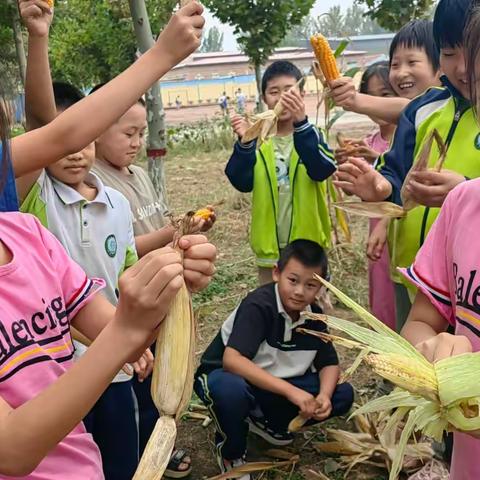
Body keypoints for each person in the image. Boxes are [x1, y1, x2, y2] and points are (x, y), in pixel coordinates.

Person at [0, 1, 213, 478]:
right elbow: (11, 451)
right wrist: (160, 55)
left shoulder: (29, 235)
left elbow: (124, 327)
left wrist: (166, 293)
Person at [90, 82, 215, 478]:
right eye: (128, 134)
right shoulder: (96, 182)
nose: (136, 142)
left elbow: (158, 222)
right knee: (137, 385)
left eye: (141, 134)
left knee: (162, 374)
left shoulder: (139, 175)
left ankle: (160, 445)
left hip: (163, 293)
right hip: (131, 300)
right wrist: (170, 235)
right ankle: (144, 452)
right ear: (96, 127)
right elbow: (126, 246)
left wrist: (182, 226)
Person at [334, 0, 478, 330]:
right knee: (412, 359)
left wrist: (465, 191)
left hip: (470, 284)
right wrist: (381, 188)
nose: (461, 67)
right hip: (413, 273)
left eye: (472, 49)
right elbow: (396, 172)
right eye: (450, 52)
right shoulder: (422, 111)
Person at [194, 240, 354, 479]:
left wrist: (324, 396)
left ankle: (267, 422)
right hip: (226, 378)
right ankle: (231, 452)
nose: (300, 291)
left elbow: (329, 363)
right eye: (293, 280)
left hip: (272, 384)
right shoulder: (259, 305)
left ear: (321, 286)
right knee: (230, 391)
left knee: (343, 394)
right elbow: (232, 361)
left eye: (311, 285)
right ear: (276, 273)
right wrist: (292, 392)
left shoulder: (315, 316)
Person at [226, 60, 336, 285]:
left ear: (302, 94)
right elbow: (241, 181)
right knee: (271, 310)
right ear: (265, 99)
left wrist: (302, 126)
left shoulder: (313, 134)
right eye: (274, 92)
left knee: (311, 312)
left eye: (289, 90)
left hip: (309, 247)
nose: (282, 97)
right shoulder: (259, 141)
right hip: (270, 252)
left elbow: (321, 169)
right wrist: (246, 141)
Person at [336, 61, 397, 330]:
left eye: (386, 94)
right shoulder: (368, 142)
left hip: (402, 232)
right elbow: (369, 198)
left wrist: (379, 160)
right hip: (378, 240)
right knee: (384, 297)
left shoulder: (410, 139)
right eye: (370, 95)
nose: (377, 103)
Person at [330, 19, 441, 124]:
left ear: (442, 66)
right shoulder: (409, 122)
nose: (401, 73)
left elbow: (410, 108)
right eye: (395, 65)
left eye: (412, 62)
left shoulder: (446, 102)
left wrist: (355, 99)